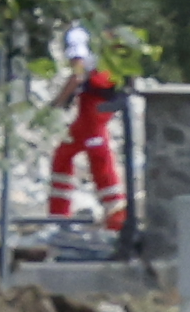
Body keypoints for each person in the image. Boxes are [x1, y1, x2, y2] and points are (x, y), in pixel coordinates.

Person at [43, 44, 131, 246]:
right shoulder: (98, 43)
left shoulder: (77, 38)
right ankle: (60, 215)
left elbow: (77, 75)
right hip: (96, 108)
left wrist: (58, 102)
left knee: (98, 159)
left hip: (92, 110)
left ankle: (116, 214)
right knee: (66, 155)